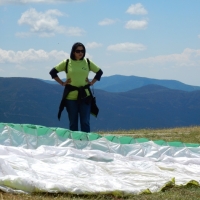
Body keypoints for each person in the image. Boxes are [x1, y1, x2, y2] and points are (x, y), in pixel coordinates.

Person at [49, 42, 103, 133]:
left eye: (82, 51)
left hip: (85, 96)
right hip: (70, 97)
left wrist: (92, 82)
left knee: (85, 122)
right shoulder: (66, 62)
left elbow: (99, 72)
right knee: (73, 123)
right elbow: (53, 72)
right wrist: (62, 83)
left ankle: (85, 143)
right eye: (78, 51)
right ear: (73, 52)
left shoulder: (87, 62)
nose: (80, 53)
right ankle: (74, 144)